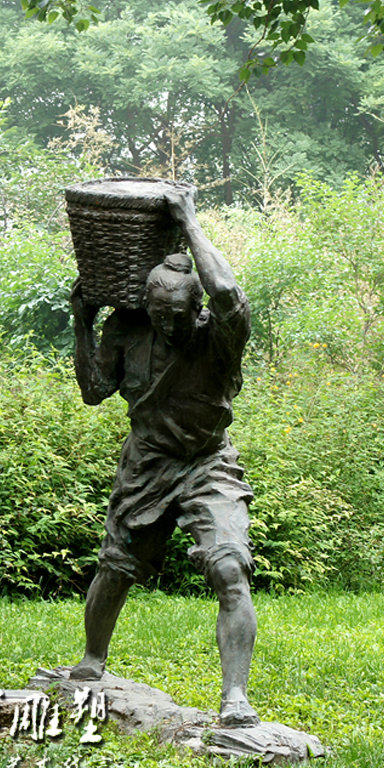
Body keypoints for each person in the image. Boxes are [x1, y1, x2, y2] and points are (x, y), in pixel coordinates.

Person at [69, 187, 259, 727]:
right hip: (148, 464)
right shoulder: (125, 330)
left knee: (230, 568)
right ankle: (92, 659)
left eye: (179, 313)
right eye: (160, 314)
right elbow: (94, 390)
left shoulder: (219, 337)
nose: (170, 324)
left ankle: (235, 697)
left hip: (208, 463)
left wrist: (189, 220)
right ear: (146, 308)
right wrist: (82, 322)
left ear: (197, 310)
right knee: (115, 568)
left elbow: (227, 291)